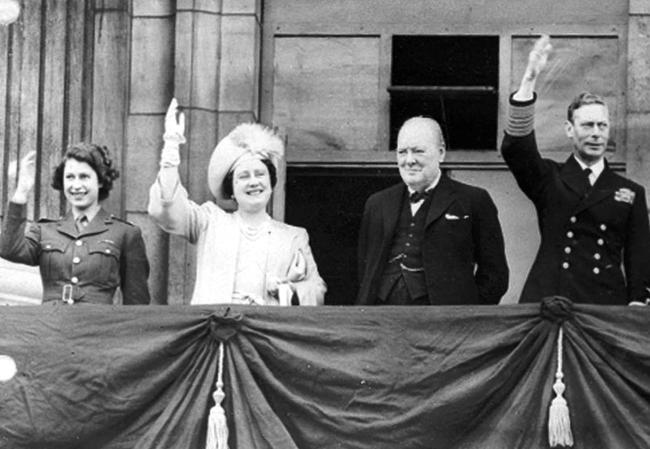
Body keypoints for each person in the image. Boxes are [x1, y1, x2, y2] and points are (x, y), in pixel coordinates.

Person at [501, 35, 650, 305]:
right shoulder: (549, 178)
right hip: (550, 303)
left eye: (602, 126)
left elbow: (639, 258)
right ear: (570, 130)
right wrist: (529, 78)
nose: (596, 134)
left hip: (604, 308)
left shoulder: (630, 192)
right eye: (587, 125)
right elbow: (516, 149)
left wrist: (637, 305)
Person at [148, 99, 326, 306]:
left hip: (266, 333)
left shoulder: (294, 236)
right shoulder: (209, 221)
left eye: (260, 174)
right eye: (243, 176)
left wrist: (288, 290)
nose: (253, 182)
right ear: (231, 189)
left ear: (271, 183)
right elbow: (167, 210)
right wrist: (171, 149)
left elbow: (317, 290)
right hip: (217, 332)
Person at [357, 116, 509, 305]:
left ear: (441, 153)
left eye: (418, 151)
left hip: (443, 324)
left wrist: (467, 317)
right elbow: (364, 267)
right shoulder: (377, 203)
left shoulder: (473, 200)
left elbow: (495, 275)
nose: (409, 160)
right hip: (382, 317)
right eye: (402, 152)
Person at [0, 144, 151, 305]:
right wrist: (22, 191)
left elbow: (137, 303)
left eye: (84, 177)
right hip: (51, 326)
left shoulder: (125, 233)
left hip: (96, 328)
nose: (76, 185)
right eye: (70, 177)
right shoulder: (45, 230)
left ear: (100, 181)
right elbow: (9, 249)